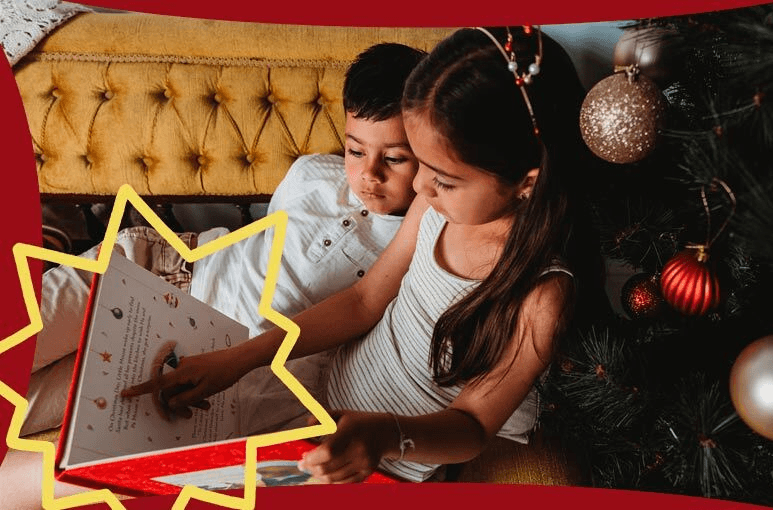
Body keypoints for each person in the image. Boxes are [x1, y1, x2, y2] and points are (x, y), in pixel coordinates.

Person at [124, 26, 602, 484]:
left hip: (375, 463)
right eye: (420, 164)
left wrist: (383, 435)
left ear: (527, 181)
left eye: (444, 178)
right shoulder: (437, 207)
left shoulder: (542, 296)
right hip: (316, 398)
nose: (418, 186)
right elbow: (365, 300)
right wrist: (242, 358)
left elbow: (473, 426)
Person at [1, 42, 426, 507]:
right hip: (161, 272)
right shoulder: (313, 174)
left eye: (396, 159)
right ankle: (55, 244)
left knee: (32, 463)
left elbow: (363, 308)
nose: (368, 174)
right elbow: (255, 251)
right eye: (354, 149)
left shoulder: (418, 240)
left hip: (204, 368)